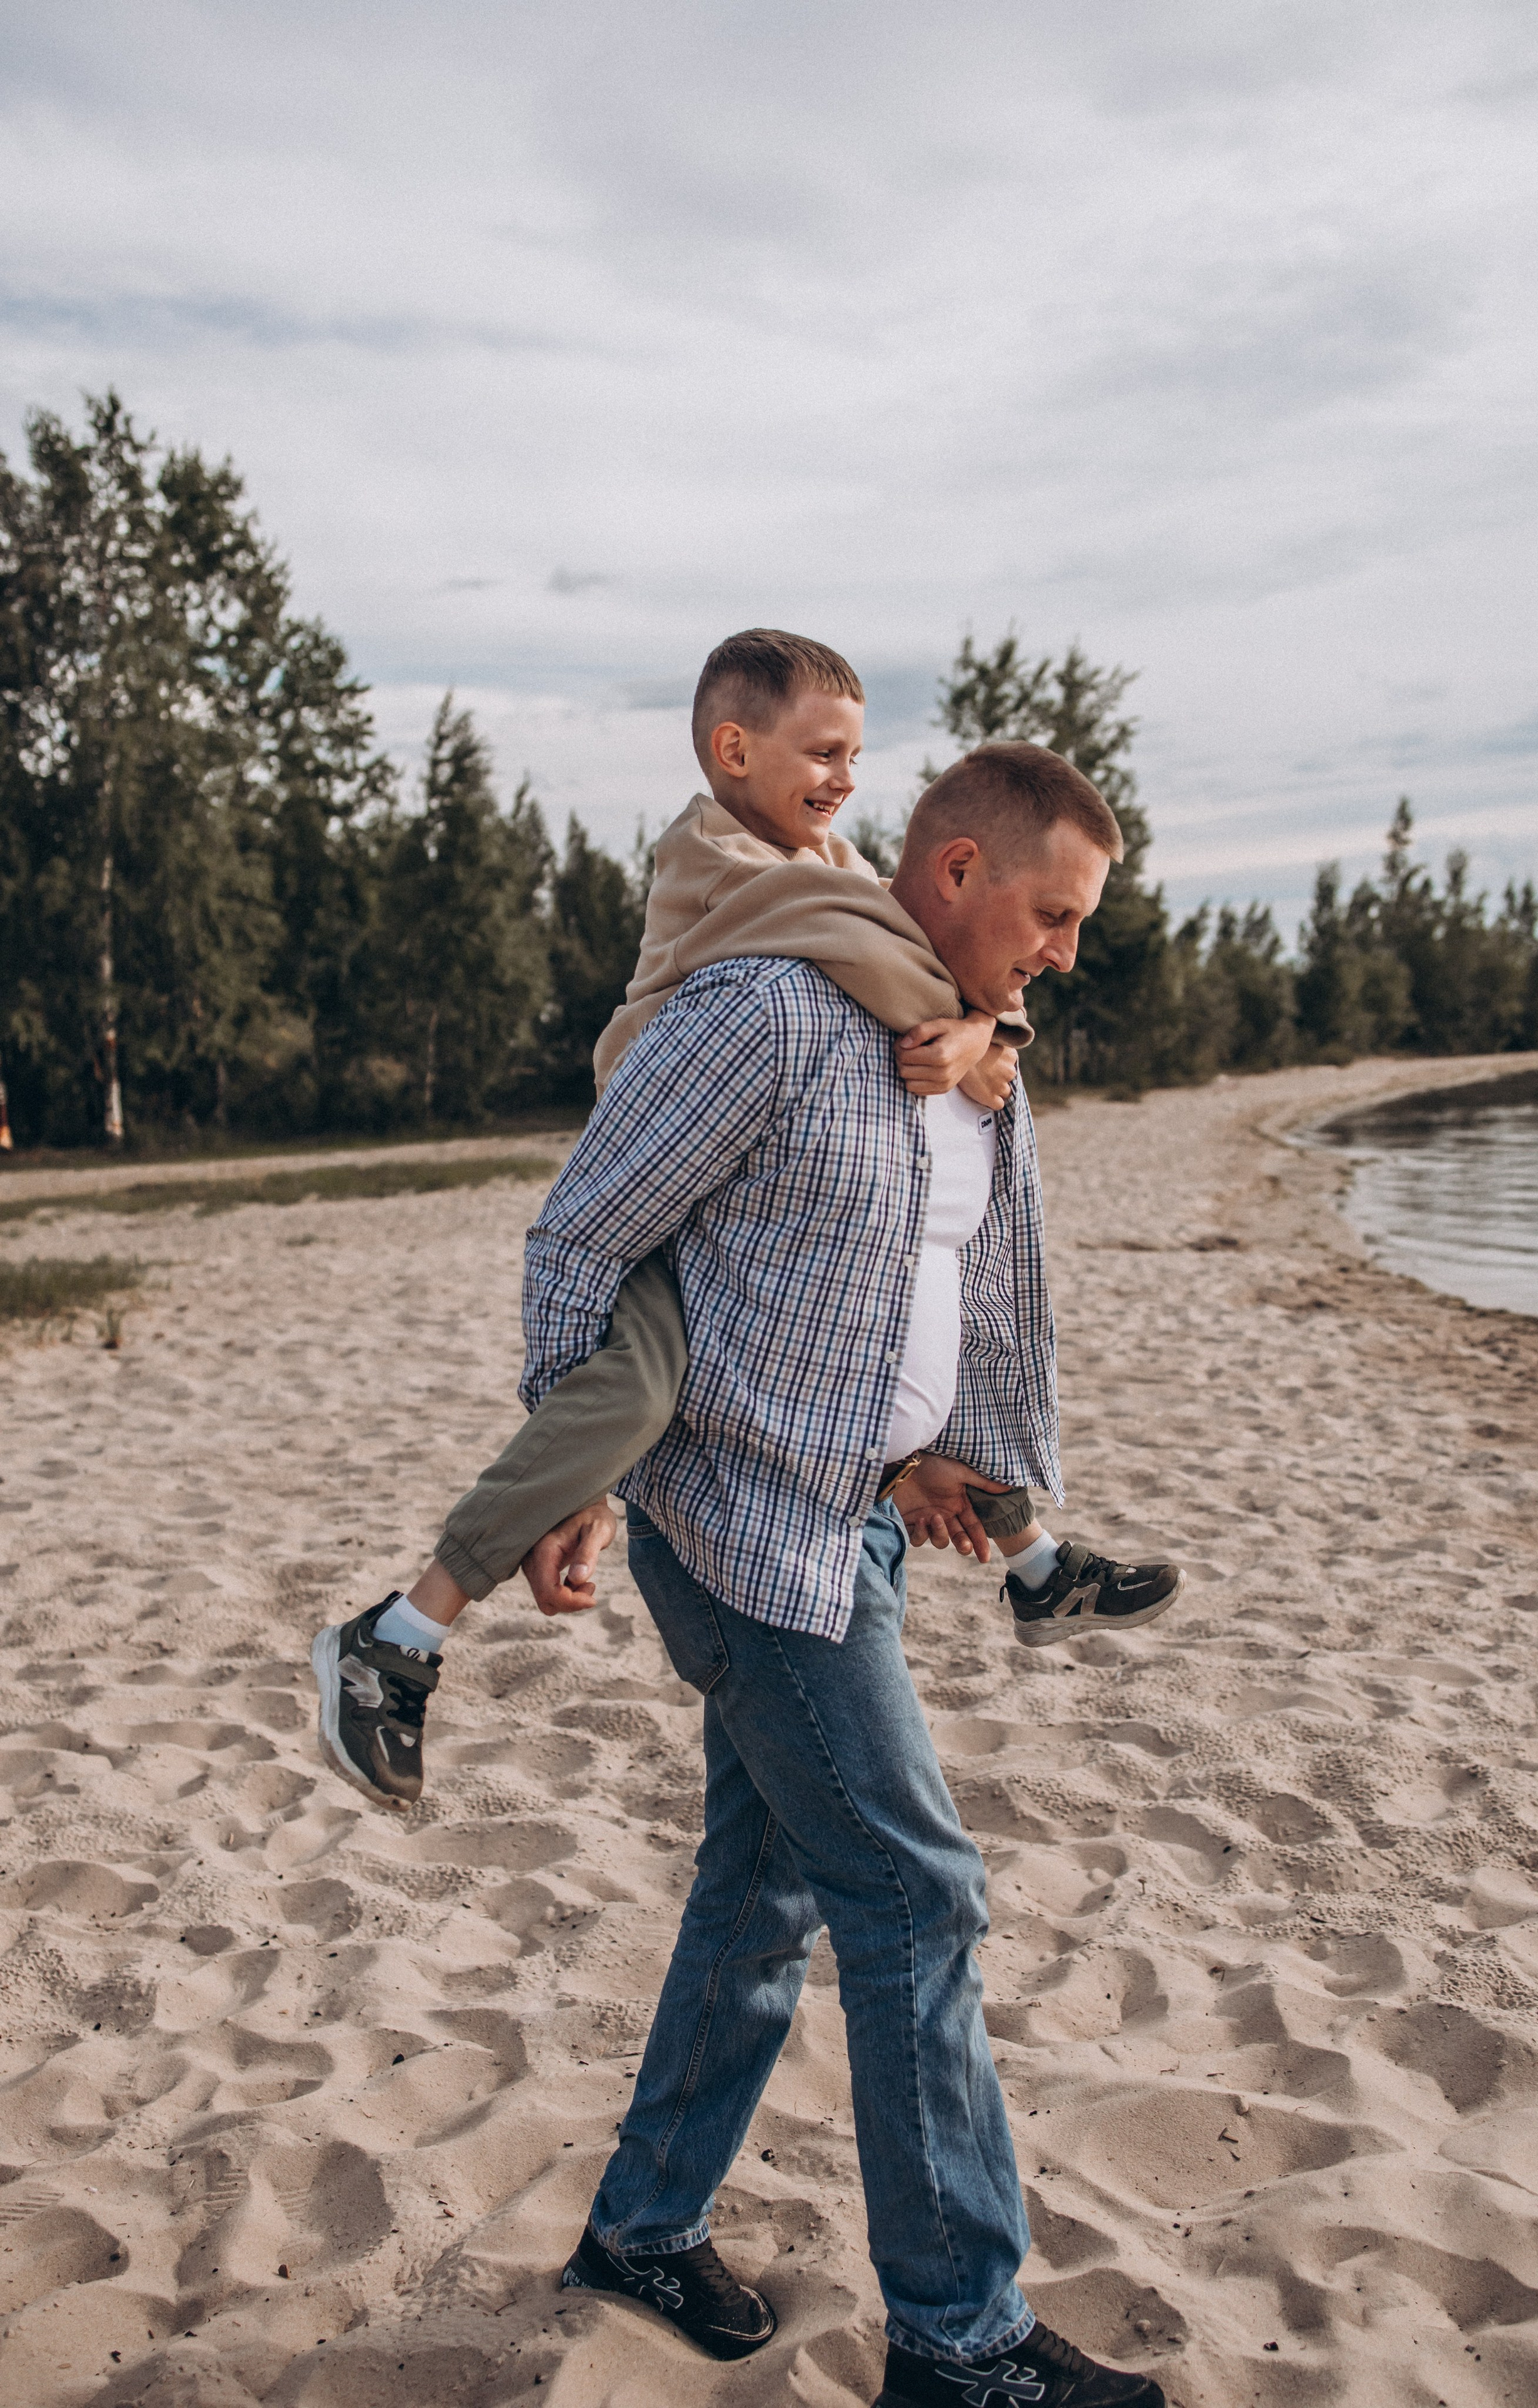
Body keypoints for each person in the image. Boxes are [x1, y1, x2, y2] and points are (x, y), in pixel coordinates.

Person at [529, 738, 1166, 2406]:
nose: (1066, 951)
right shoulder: (765, 1014)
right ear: (956, 871)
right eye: (1054, 912)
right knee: (917, 1889)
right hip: (746, 1532)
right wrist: (559, 1455)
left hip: (857, 1509)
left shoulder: (951, 1044)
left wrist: (923, 1450)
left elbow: (838, 1287)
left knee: (775, 1876)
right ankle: (962, 2344)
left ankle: (646, 2224)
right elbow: (587, 1227)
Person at [311, 632, 1182, 1815]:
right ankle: (403, 1628)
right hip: (686, 1242)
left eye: (856, 755)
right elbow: (866, 956)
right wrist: (979, 1025)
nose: (845, 777)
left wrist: (989, 1032)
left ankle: (1033, 1565)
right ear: (732, 749)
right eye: (822, 751)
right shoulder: (732, 873)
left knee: (761, 1882)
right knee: (625, 1400)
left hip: (839, 1450)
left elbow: (902, 958)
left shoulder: (826, 864)